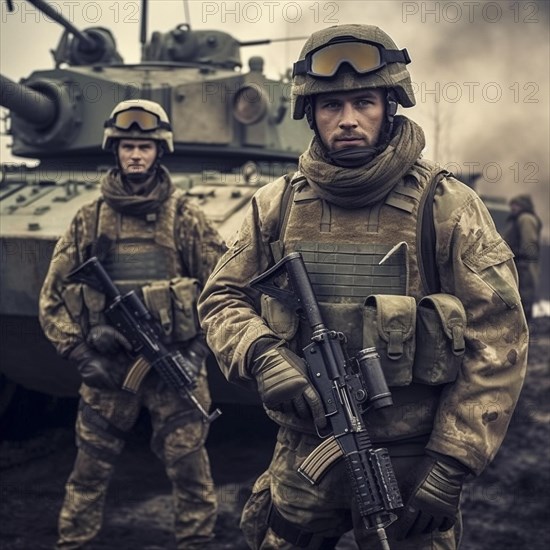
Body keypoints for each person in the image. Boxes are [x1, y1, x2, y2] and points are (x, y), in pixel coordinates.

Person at [197, 24, 529, 550]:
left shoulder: (446, 207)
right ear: (310, 112)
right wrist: (262, 354)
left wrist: (452, 460)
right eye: (331, 106)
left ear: (389, 105)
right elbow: (221, 297)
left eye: (364, 101)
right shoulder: (276, 205)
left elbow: (500, 339)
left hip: (413, 462)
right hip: (305, 453)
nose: (348, 119)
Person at [39, 99, 225, 550]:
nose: (136, 155)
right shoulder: (90, 219)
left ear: (159, 151)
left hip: (175, 369)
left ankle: (196, 542)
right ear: (115, 151)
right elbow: (51, 299)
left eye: (144, 145)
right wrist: (80, 353)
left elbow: (222, 291)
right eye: (127, 146)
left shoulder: (186, 217)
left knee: (190, 474)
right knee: (88, 472)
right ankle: (73, 542)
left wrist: (196, 351)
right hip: (108, 369)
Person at [503, 194, 542, 321]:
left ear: (523, 206)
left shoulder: (525, 219)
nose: (513, 208)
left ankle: (524, 335)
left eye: (516, 205)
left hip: (523, 266)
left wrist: (518, 255)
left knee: (523, 301)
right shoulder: (518, 219)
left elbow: (529, 244)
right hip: (519, 264)